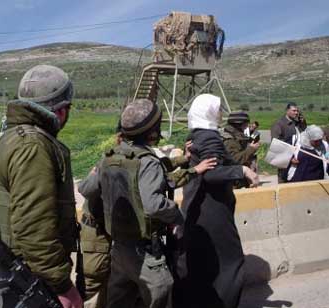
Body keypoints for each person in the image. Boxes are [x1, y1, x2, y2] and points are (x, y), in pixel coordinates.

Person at [79, 99, 216, 308]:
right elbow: (153, 203)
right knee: (162, 289)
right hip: (142, 250)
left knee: (119, 299)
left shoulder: (110, 157)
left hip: (119, 246)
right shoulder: (147, 161)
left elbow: (86, 189)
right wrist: (176, 215)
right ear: (152, 131)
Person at [0, 65, 83, 308]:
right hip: (31, 277)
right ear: (60, 111)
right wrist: (62, 286)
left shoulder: (13, 136)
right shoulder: (34, 146)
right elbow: (33, 226)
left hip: (20, 269)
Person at [174, 94, 259, 308]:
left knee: (203, 263)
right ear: (209, 111)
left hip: (198, 208)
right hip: (212, 211)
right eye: (218, 109)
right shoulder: (210, 137)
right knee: (230, 262)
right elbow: (211, 173)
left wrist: (238, 168)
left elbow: (221, 162)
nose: (222, 114)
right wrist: (243, 169)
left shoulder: (198, 134)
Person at [222, 111, 260, 187]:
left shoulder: (236, 136)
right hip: (233, 181)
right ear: (239, 124)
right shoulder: (230, 140)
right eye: (245, 123)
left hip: (238, 177)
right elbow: (235, 159)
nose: (247, 126)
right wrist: (251, 149)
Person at [271, 102, 307, 183]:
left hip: (297, 158)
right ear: (287, 111)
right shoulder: (279, 124)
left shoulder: (297, 123)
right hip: (285, 160)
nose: (296, 113)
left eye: (297, 111)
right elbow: (276, 144)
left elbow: (304, 135)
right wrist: (290, 158)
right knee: (284, 182)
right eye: (294, 111)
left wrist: (303, 122)